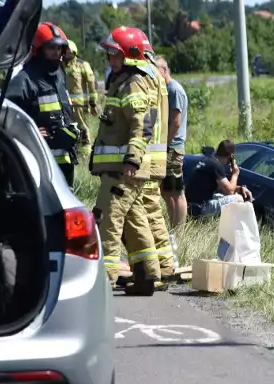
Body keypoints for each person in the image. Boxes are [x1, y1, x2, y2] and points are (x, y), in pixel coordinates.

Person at [91, 26, 162, 295]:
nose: (110, 61)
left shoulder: (133, 83)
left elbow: (141, 126)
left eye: (115, 56)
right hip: (123, 170)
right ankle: (145, 277)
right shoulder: (124, 81)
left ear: (129, 56)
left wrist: (132, 160)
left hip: (124, 170)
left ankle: (103, 283)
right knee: (134, 222)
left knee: (107, 222)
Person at [117, 29, 175, 287]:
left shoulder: (143, 76)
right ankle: (163, 267)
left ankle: (156, 270)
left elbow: (142, 120)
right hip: (154, 154)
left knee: (146, 212)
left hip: (146, 155)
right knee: (152, 212)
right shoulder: (156, 76)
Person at [7, 22, 80, 188]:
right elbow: (6, 116)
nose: (57, 53)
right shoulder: (25, 79)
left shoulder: (59, 75)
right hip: (39, 160)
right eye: (51, 48)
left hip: (64, 159)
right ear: (38, 49)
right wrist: (29, 131)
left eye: (60, 48)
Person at [156, 55, 188, 229]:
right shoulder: (165, 89)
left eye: (155, 71)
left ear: (164, 70)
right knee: (167, 191)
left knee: (176, 191)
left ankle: (179, 229)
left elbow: (175, 122)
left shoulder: (174, 90)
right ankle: (173, 226)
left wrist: (164, 145)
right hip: (168, 147)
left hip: (172, 147)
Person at [186, 139, 253, 218]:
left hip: (189, 205)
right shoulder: (216, 165)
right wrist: (235, 174)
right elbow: (230, 191)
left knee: (222, 195)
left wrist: (240, 188)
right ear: (231, 156)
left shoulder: (208, 159)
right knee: (239, 198)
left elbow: (222, 188)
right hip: (201, 208)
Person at [62, 39, 98, 158]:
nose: (66, 54)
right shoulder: (60, 66)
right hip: (65, 105)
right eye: (64, 51)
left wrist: (93, 103)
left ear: (74, 51)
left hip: (79, 105)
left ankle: (85, 155)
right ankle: (75, 152)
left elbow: (91, 82)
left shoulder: (82, 65)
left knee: (83, 129)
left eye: (68, 51)